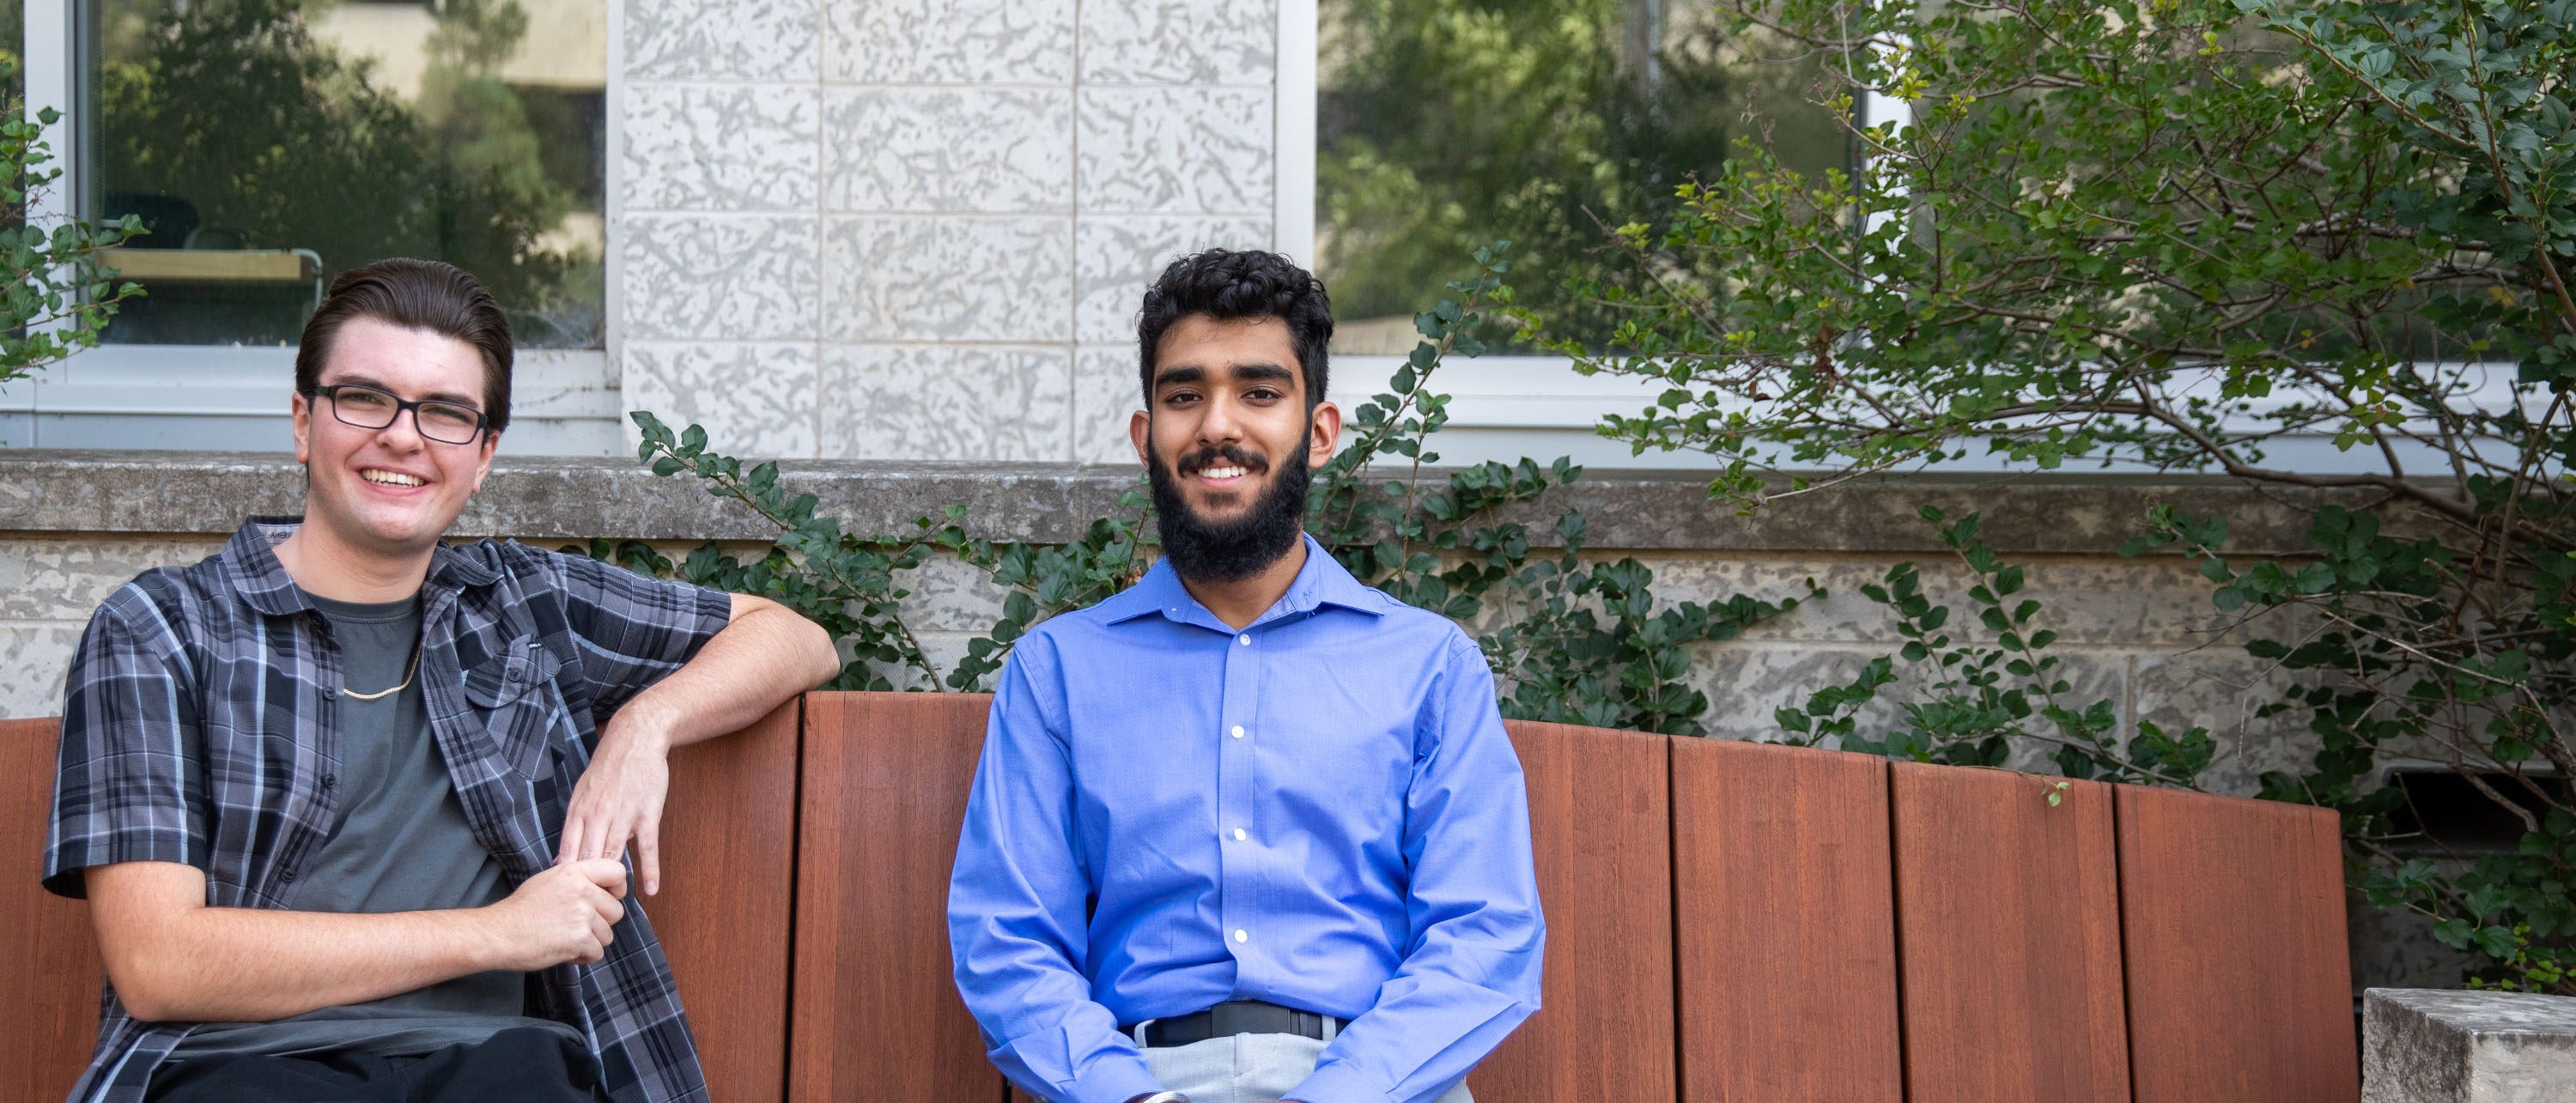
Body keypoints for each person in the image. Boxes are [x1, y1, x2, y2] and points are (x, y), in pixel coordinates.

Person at [42, 258, 841, 1103]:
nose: (403, 435)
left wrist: (647, 725)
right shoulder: (161, 628)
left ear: (485, 453)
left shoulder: (524, 604)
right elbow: (160, 963)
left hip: (495, 1069)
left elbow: (794, 639)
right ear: (304, 421)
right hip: (239, 1070)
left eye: (446, 413)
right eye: (365, 397)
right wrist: (498, 934)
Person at [947, 249, 1545, 1103]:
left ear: (1321, 431)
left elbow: (1487, 935)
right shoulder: (1061, 671)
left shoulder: (1427, 665)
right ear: (1145, 432)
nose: (1216, 425)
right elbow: (1007, 940)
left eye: (1260, 393)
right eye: (1184, 395)